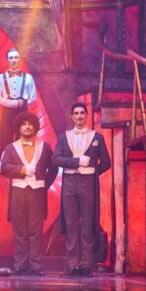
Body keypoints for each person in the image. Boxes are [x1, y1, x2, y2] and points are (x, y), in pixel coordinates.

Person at [52, 103, 111, 277]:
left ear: (86, 115)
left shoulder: (97, 137)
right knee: (71, 224)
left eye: (82, 113)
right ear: (72, 116)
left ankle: (86, 265)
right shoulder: (64, 137)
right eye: (76, 113)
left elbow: (106, 162)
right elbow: (56, 159)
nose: (79, 116)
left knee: (87, 224)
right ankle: (72, 265)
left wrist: (92, 172)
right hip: (69, 183)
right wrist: (77, 162)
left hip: (88, 183)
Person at [0, 111, 58, 276]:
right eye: (24, 124)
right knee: (20, 231)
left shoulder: (45, 147)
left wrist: (44, 185)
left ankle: (35, 266)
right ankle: (20, 265)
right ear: (19, 128)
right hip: (18, 192)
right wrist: (22, 170)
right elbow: (4, 167)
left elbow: (54, 168)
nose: (27, 127)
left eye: (30, 124)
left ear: (35, 127)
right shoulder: (11, 148)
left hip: (37, 193)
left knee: (35, 231)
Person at [0, 48, 37, 150]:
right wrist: (15, 103)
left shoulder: (28, 77)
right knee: (5, 139)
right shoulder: (0, 77)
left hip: (23, 112)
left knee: (22, 138)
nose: (13, 60)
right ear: (7, 60)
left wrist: (24, 103)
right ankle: (6, 157)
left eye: (16, 57)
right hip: (7, 112)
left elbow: (33, 97)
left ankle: (22, 158)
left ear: (20, 60)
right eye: (11, 58)